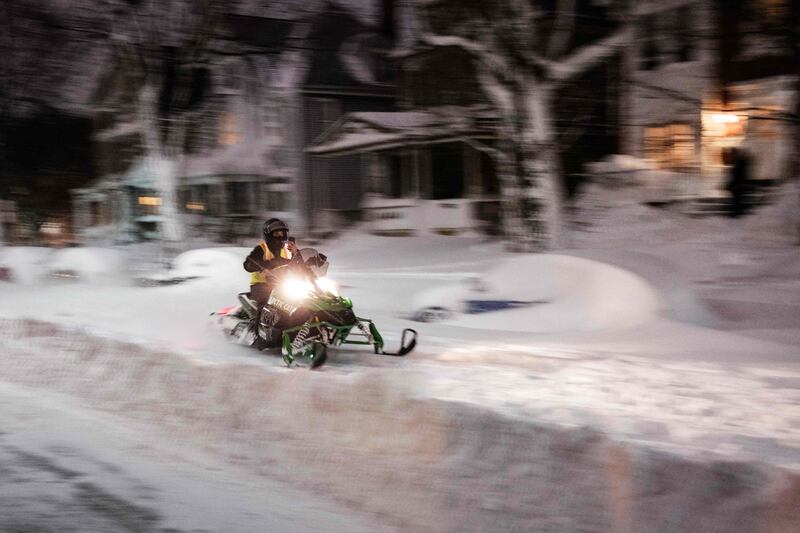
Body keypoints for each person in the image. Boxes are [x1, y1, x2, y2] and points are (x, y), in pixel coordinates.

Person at [243, 217, 298, 343]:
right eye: (276, 233)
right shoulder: (261, 248)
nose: (280, 235)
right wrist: (262, 267)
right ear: (269, 234)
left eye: (282, 233)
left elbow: (297, 264)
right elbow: (248, 264)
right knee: (265, 302)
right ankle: (255, 334)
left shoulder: (287, 249)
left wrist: (296, 253)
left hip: (282, 285)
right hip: (261, 285)